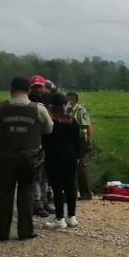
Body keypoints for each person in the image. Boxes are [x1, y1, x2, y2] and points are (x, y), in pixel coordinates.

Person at [0, 77, 53, 241]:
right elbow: (49, 129)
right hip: (30, 159)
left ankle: (1, 232)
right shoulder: (39, 109)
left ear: (11, 89)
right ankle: (25, 231)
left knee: (4, 194)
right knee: (27, 193)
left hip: (6, 156)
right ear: (29, 90)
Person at [43, 93, 83, 230]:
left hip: (55, 158)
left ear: (51, 106)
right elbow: (78, 142)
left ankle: (59, 218)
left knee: (57, 188)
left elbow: (45, 142)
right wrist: (78, 156)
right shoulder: (73, 121)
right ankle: (72, 217)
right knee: (71, 186)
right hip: (71, 158)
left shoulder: (51, 122)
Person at [28, 75, 52, 217]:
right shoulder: (28, 101)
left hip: (46, 140)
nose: (38, 89)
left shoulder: (47, 100)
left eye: (40, 86)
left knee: (45, 175)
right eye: (35, 86)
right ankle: (36, 204)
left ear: (43, 87)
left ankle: (44, 201)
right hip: (32, 140)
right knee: (35, 175)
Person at [65, 92, 94, 201]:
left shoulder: (81, 110)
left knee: (82, 167)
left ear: (73, 100)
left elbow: (88, 126)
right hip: (71, 141)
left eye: (68, 99)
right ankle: (72, 191)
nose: (66, 101)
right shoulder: (67, 110)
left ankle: (86, 193)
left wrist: (89, 142)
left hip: (81, 141)